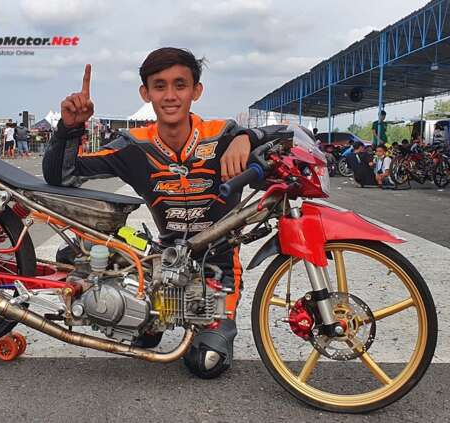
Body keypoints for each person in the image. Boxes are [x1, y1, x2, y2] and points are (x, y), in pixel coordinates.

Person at [43, 47, 278, 379]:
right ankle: (153, 320)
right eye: (159, 86)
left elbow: (294, 139)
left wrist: (247, 136)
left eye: (180, 85)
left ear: (196, 91)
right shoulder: (134, 145)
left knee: (205, 363)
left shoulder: (223, 135)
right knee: (135, 329)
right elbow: (62, 175)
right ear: (146, 93)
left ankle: (202, 329)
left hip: (219, 274)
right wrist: (69, 128)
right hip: (161, 267)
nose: (170, 95)